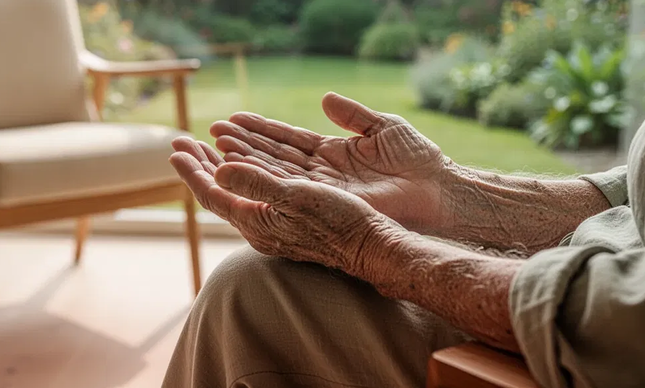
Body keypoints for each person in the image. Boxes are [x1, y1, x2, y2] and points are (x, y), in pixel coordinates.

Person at [163, 92, 644, 388]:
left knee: (250, 297)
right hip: (602, 265)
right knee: (255, 280)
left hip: (593, 340)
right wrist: (454, 193)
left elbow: (621, 322)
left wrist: (370, 248)